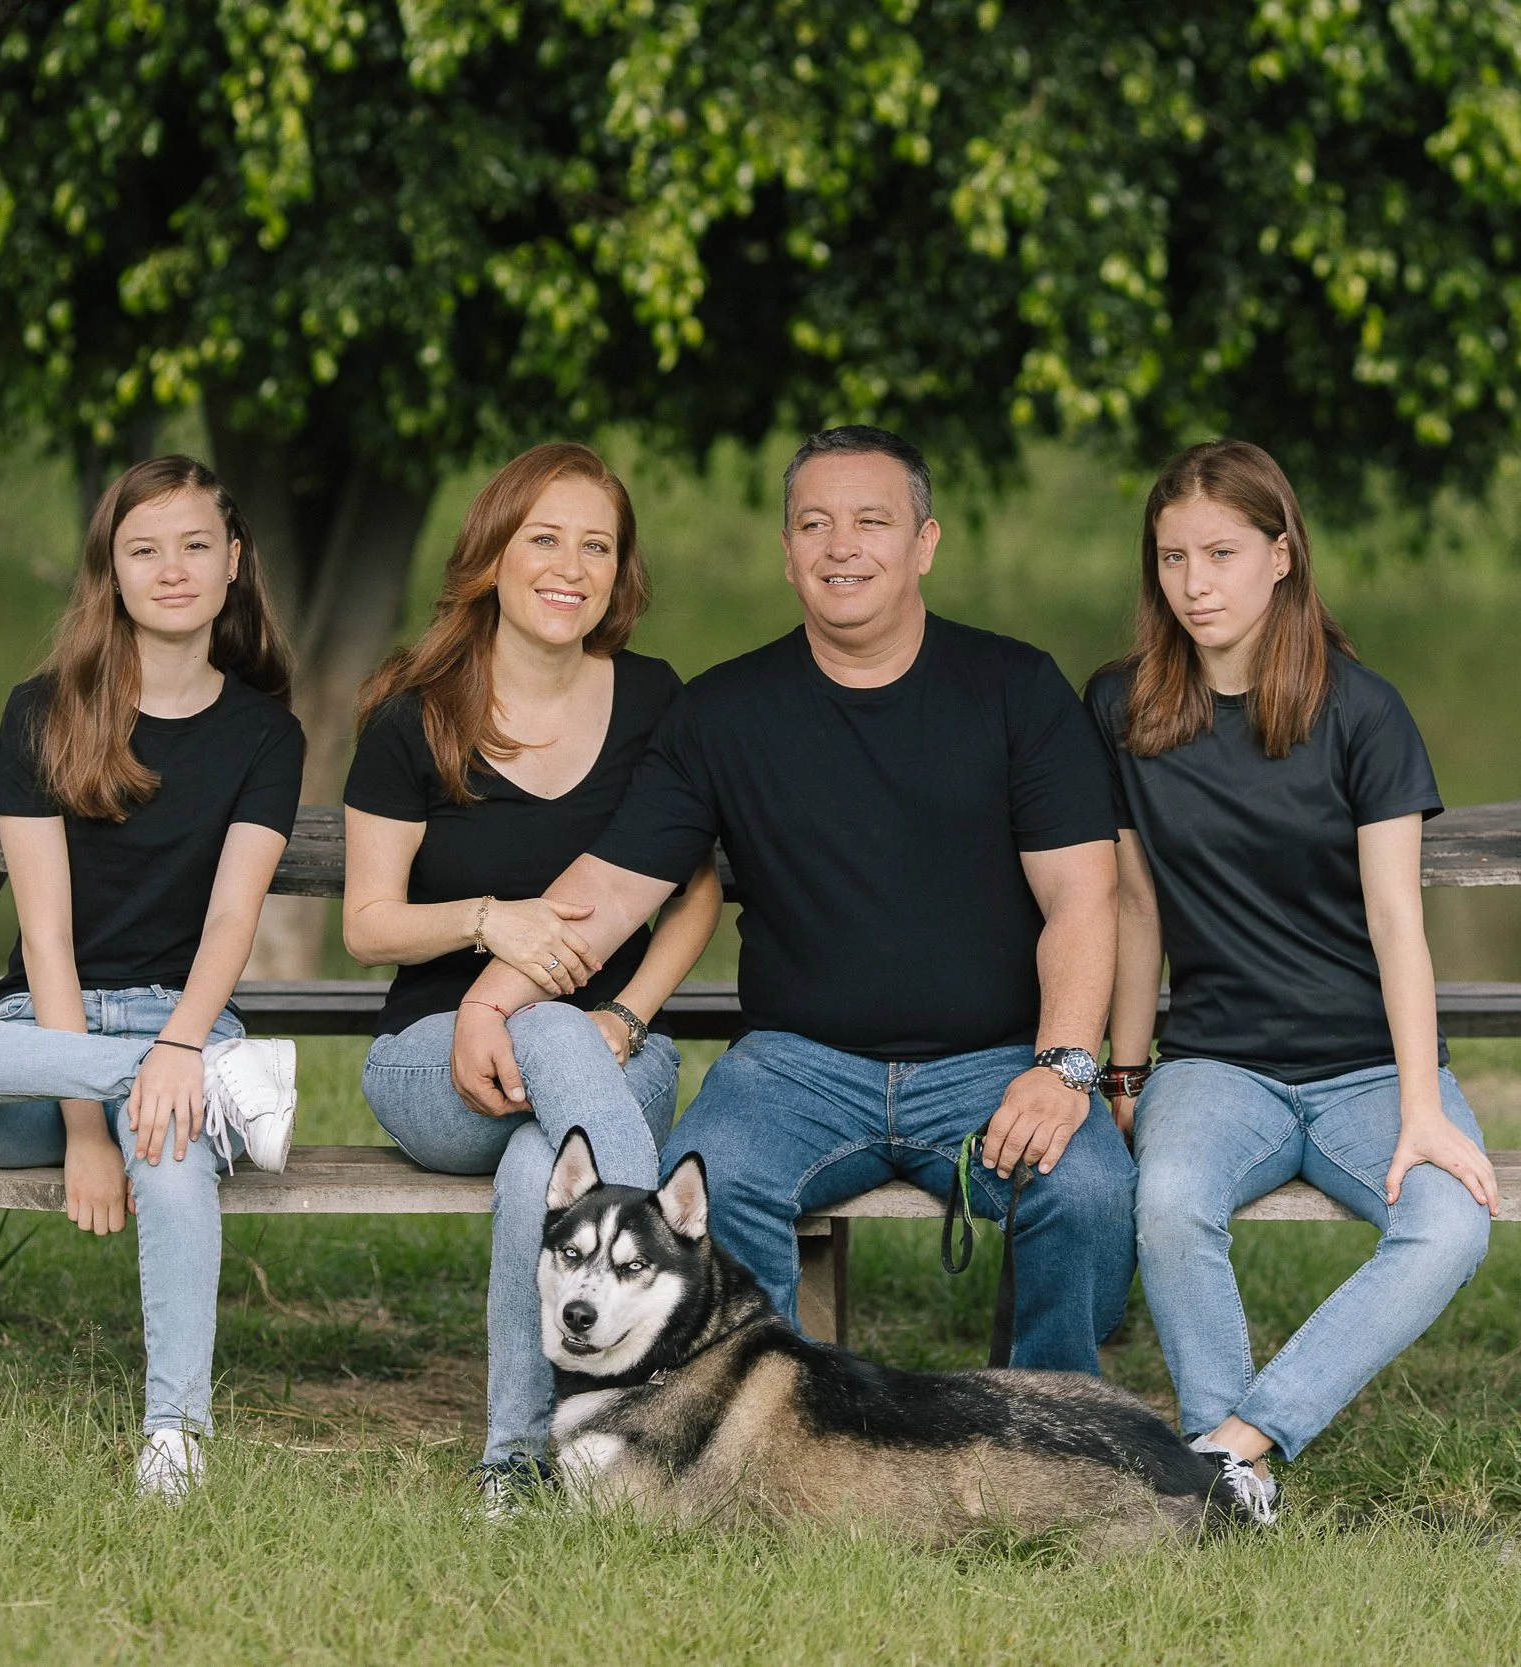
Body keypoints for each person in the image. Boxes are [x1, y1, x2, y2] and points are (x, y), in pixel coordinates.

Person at [450, 426, 1136, 1373]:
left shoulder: (1017, 689)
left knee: (1088, 1190)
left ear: (925, 543)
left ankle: (1048, 1417)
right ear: (786, 552)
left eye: (871, 522)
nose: (840, 545)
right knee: (711, 1186)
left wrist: (1062, 1064)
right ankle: (769, 1422)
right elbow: (608, 888)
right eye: (814, 524)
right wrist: (489, 999)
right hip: (795, 1069)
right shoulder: (724, 711)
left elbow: (1083, 896)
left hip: (993, 1060)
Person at [0, 455, 306, 1500]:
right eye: (144, 549)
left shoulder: (264, 735)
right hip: (42, 1045)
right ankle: (171, 1080)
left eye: (195, 545)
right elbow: (46, 938)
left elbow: (232, 918)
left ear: (234, 561)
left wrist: (179, 1043)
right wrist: (92, 1120)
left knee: (174, 1151)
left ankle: (175, 1435)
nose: (172, 568)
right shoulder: (43, 711)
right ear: (112, 568)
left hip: (179, 1020)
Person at [1089, 439, 1499, 1527]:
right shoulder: (1122, 706)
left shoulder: (1363, 711)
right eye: (1173, 557)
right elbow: (1134, 907)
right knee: (1168, 1201)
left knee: (1450, 1224)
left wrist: (1422, 1106)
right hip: (1218, 1062)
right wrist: (1124, 1073)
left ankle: (1233, 1445)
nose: (1196, 583)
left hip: (1369, 1068)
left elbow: (1397, 920)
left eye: (1222, 553)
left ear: (1281, 555)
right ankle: (1237, 1486)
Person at [341, 443, 720, 1516]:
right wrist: (485, 921)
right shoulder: (416, 714)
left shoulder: (654, 701)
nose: (570, 566)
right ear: (492, 554)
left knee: (540, 1167)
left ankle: (515, 1458)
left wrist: (626, 1015)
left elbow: (692, 896)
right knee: (541, 1038)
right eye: (544, 538)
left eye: (596, 545)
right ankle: (666, 1375)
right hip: (437, 1063)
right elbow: (366, 925)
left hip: (613, 1048)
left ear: (619, 571)